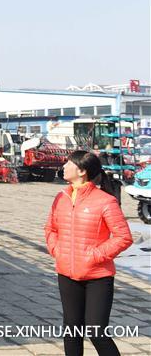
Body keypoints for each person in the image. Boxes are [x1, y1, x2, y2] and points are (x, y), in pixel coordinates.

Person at [45, 150, 133, 356]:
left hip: (97, 277)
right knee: (72, 329)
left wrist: (93, 256)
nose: (64, 166)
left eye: (68, 163)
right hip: (67, 274)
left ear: (82, 171)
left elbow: (123, 237)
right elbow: (50, 228)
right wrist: (57, 251)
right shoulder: (61, 197)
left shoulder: (105, 201)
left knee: (96, 331)